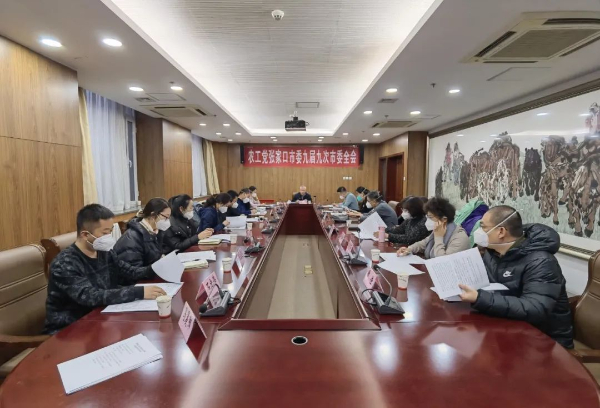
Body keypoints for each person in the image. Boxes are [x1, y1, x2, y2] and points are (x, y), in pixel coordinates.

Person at [458, 206, 573, 349]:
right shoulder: (493, 252)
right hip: (507, 327)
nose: (478, 232)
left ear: (501, 232)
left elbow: (535, 308)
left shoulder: (541, 262)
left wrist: (479, 298)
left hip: (544, 342)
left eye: (483, 227)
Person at [44, 204, 167, 334]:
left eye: (110, 231)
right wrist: (138, 292)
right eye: (105, 233)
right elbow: (90, 296)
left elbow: (129, 271)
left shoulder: (105, 252)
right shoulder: (64, 263)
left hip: (103, 318)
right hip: (69, 330)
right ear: (85, 234)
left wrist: (157, 268)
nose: (109, 236)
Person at [397, 197, 469, 259]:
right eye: (427, 217)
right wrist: (409, 249)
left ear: (444, 219)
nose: (427, 220)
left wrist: (439, 237)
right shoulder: (440, 229)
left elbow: (443, 261)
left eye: (430, 217)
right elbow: (424, 243)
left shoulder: (459, 237)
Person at [114, 198, 171, 268]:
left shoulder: (155, 232)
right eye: (166, 217)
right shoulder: (133, 238)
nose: (167, 221)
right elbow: (134, 270)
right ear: (153, 215)